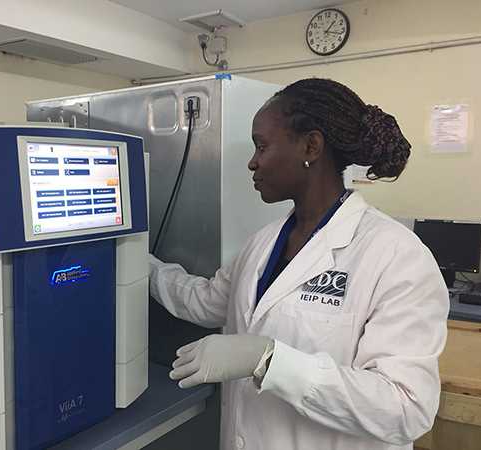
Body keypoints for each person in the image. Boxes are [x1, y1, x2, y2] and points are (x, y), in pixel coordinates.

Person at [149, 78, 449, 450]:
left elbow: (406, 408)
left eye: (262, 146)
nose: (252, 161)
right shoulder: (263, 242)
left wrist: (269, 361)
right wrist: (143, 269)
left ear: (311, 146)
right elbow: (206, 300)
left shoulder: (396, 256)